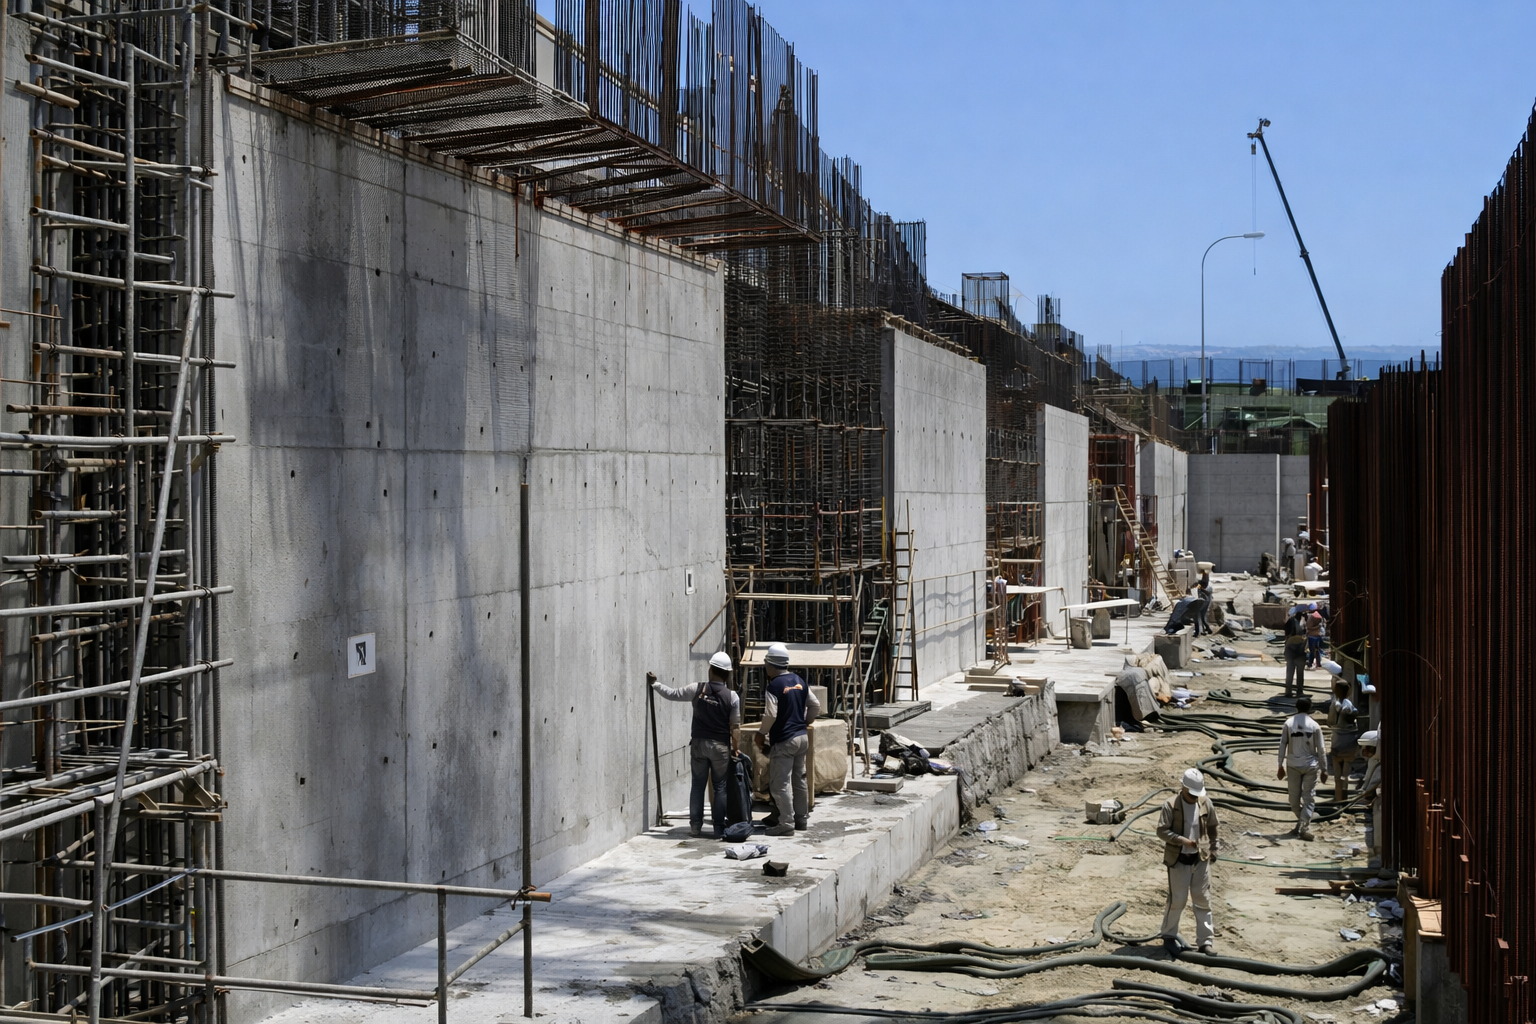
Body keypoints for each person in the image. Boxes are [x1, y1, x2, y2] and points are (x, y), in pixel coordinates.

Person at [651, 651, 741, 838]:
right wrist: (735, 747)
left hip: (699, 745)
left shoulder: (697, 689)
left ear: (711, 669)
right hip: (720, 747)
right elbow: (736, 726)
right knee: (720, 787)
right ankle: (718, 828)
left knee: (698, 786)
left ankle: (695, 827)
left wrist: (655, 684)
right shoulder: (732, 697)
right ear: (728, 673)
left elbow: (673, 694)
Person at [756, 642, 821, 836]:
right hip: (802, 738)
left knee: (779, 784)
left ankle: (786, 823)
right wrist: (805, 721)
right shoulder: (798, 680)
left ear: (771, 664)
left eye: (766, 663)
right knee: (799, 780)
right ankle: (801, 820)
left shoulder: (774, 686)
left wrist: (761, 734)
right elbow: (815, 705)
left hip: (784, 740)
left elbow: (770, 715)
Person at [1155, 767, 1220, 955]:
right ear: (1183, 788)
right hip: (1179, 861)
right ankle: (1168, 936)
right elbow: (1162, 831)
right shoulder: (1171, 805)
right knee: (1178, 900)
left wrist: (1213, 847)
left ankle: (1205, 942)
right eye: (1190, 794)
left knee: (1202, 899)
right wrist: (1183, 841)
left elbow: (1213, 826)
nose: (1193, 798)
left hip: (1200, 860)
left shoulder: (1206, 803)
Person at [1277, 695, 1328, 841]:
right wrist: (1280, 765)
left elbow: (1282, 745)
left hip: (1306, 766)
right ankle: (1303, 822)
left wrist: (1323, 768)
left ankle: (1304, 827)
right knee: (1296, 800)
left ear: (1296, 707)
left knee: (1305, 797)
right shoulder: (1312, 725)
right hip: (1296, 765)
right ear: (1310, 709)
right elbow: (1322, 749)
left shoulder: (1291, 723)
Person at [1324, 664, 1360, 801]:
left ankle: (1338, 796)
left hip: (1338, 737)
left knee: (1337, 770)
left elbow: (1331, 721)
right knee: (1346, 769)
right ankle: (1344, 797)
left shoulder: (1335, 704)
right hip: (1351, 738)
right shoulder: (1349, 704)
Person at [1358, 730, 1383, 867]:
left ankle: (1380, 855)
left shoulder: (1381, 764)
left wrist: (1368, 795)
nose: (1363, 753)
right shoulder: (1375, 761)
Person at [1282, 606, 1309, 698]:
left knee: (1290, 671)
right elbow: (1304, 635)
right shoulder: (1299, 623)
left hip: (1290, 649)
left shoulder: (1290, 622)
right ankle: (1299, 691)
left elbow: (1287, 634)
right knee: (1299, 672)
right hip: (1299, 649)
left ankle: (1288, 691)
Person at [1305, 602, 1325, 668]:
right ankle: (1318, 663)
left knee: (1311, 650)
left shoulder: (1311, 617)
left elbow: (1309, 627)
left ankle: (1310, 663)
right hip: (1318, 635)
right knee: (1317, 650)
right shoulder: (1320, 617)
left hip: (1311, 636)